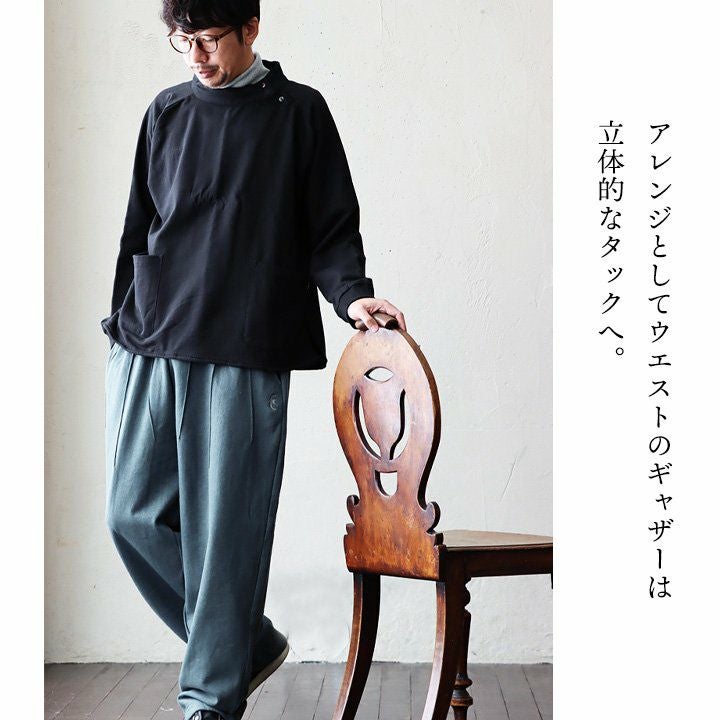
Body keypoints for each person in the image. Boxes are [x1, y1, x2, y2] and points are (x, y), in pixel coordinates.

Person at [100, 2, 406, 719]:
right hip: (153, 335)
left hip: (244, 341)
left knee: (224, 534)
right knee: (129, 516)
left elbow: (331, 227)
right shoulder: (167, 111)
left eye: (209, 39)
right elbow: (140, 224)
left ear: (251, 28)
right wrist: (121, 325)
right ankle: (247, 641)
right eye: (182, 41)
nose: (196, 57)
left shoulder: (298, 113)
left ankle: (209, 698)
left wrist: (352, 296)